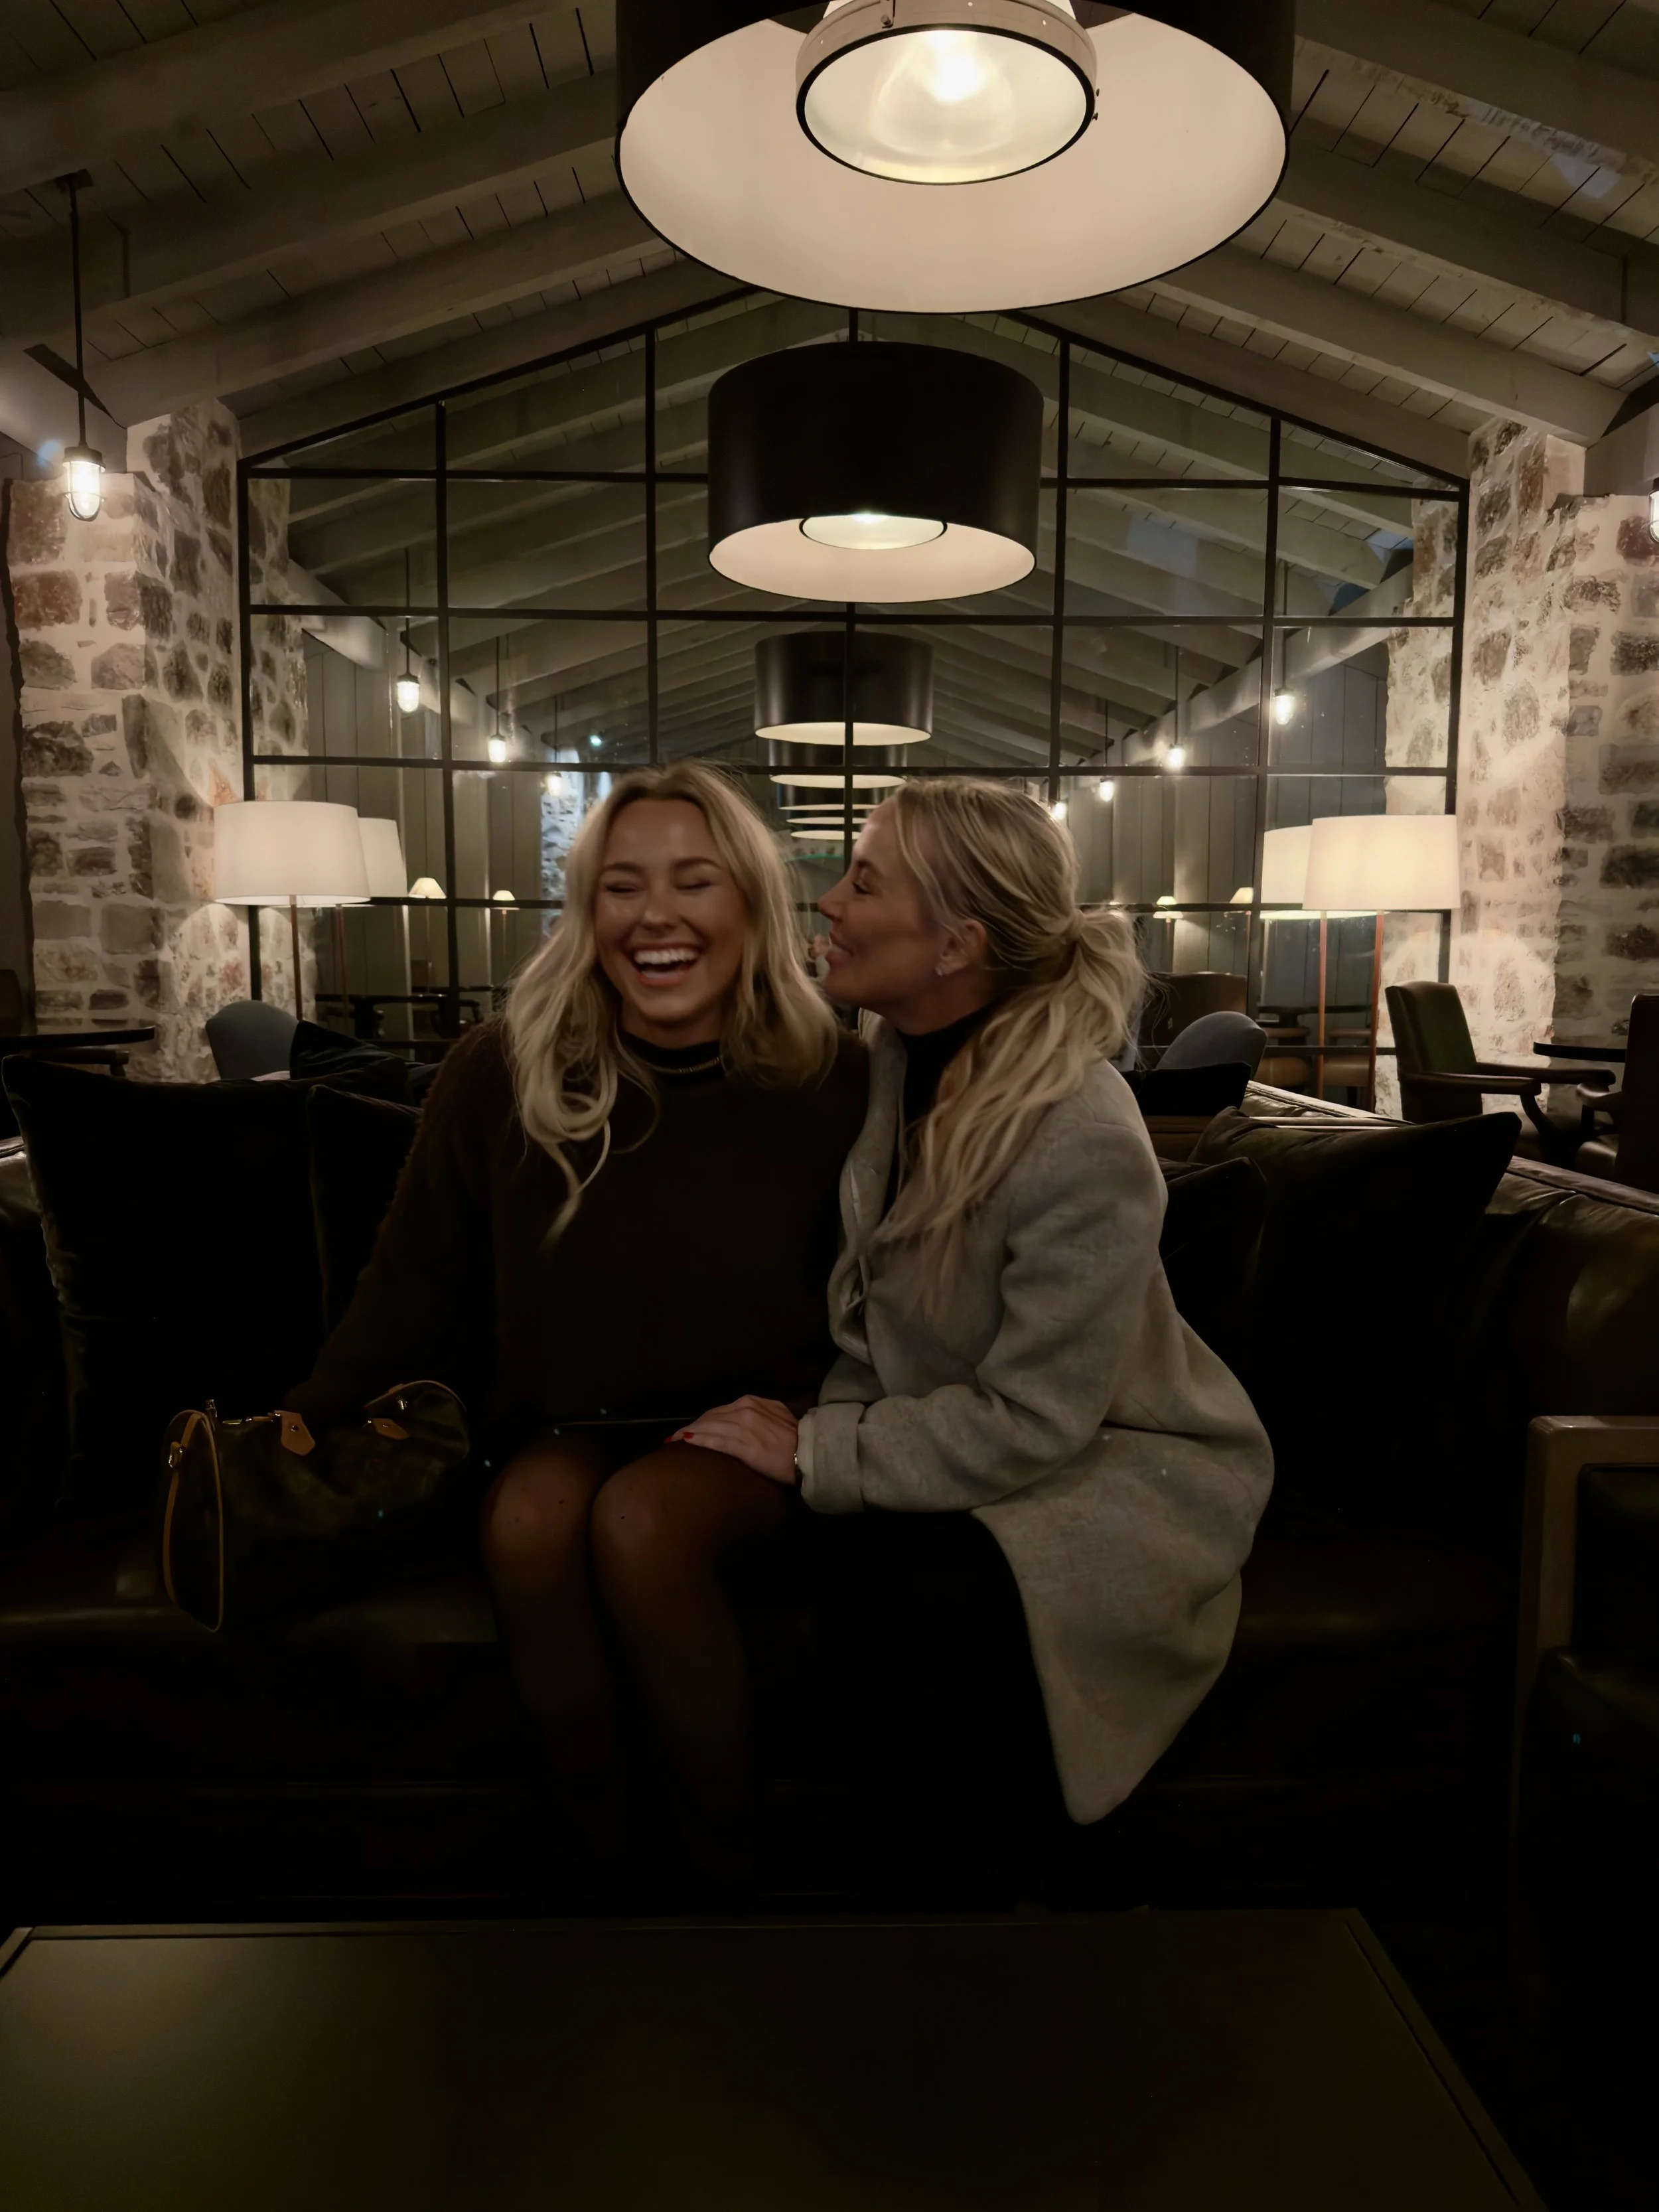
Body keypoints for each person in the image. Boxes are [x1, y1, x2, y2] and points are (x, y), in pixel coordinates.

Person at [678, 778, 1273, 1872]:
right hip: (986, 1440)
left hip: (1123, 1465)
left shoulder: (1077, 1128)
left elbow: (1037, 1417)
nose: (830, 903)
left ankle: (1010, 1931)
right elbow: (878, 1317)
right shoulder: (893, 1062)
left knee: (909, 1603)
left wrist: (817, 1447)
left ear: (956, 943)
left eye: (864, 880)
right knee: (845, 1573)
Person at [289, 763, 867, 1890]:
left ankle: (723, 1890)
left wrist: (849, 1436)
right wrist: (305, 1436)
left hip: (757, 1433)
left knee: (642, 1519)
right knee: (532, 1519)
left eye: (693, 882)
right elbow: (412, 1286)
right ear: (587, 912)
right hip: (565, 1425)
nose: (655, 915)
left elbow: (894, 1297)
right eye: (621, 886)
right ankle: (604, 1889)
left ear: (748, 902)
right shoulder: (501, 1070)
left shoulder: (837, 1079)